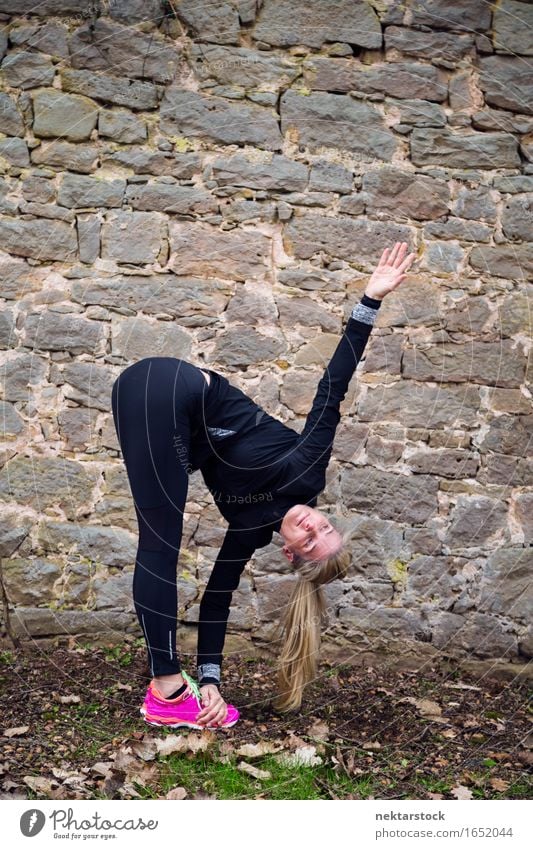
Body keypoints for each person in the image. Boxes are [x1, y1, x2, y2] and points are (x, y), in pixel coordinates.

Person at [110, 242, 416, 730]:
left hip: (143, 404)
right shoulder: (307, 469)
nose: (312, 524)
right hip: (171, 387)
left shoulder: (249, 527)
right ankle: (167, 690)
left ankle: (180, 689)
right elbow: (331, 388)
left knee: (160, 536)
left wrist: (211, 679)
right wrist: (370, 300)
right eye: (325, 525)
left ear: (291, 554)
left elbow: (217, 598)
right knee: (161, 543)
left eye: (310, 540)